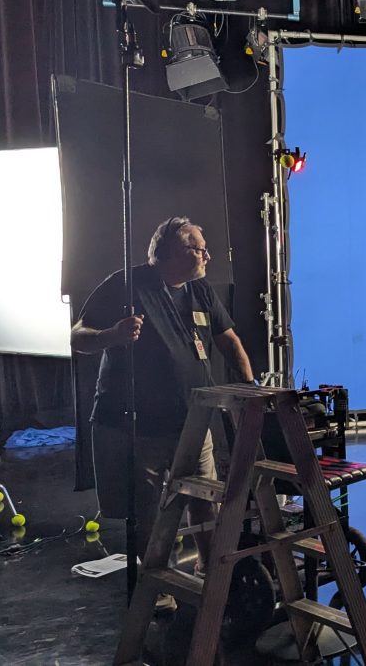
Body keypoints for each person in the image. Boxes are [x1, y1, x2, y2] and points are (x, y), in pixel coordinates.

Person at [71, 217, 254, 610]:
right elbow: (78, 337)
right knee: (150, 508)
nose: (207, 254)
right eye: (198, 248)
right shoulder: (127, 284)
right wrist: (112, 336)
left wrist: (250, 393)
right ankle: (160, 584)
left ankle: (215, 574)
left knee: (206, 496)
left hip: (193, 419)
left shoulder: (200, 291)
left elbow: (230, 342)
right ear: (170, 251)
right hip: (139, 423)